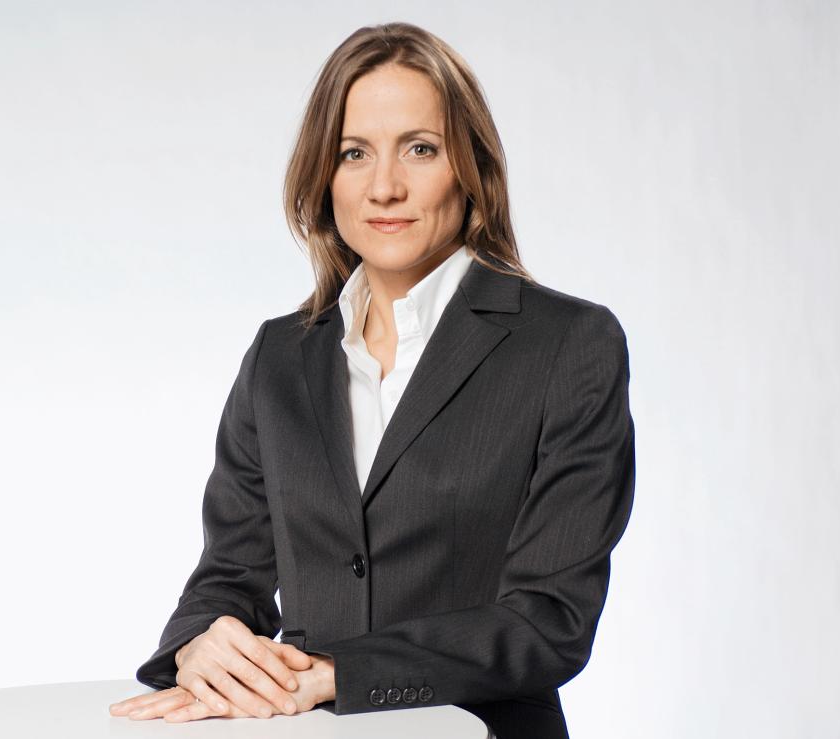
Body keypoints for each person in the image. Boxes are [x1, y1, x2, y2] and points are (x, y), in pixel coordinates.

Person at [108, 21, 635, 739]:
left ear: (470, 167)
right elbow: (228, 576)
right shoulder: (279, 357)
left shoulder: (568, 344)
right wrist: (202, 644)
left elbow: (550, 620)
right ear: (323, 177)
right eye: (354, 153)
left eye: (420, 149)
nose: (385, 187)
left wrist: (336, 672)